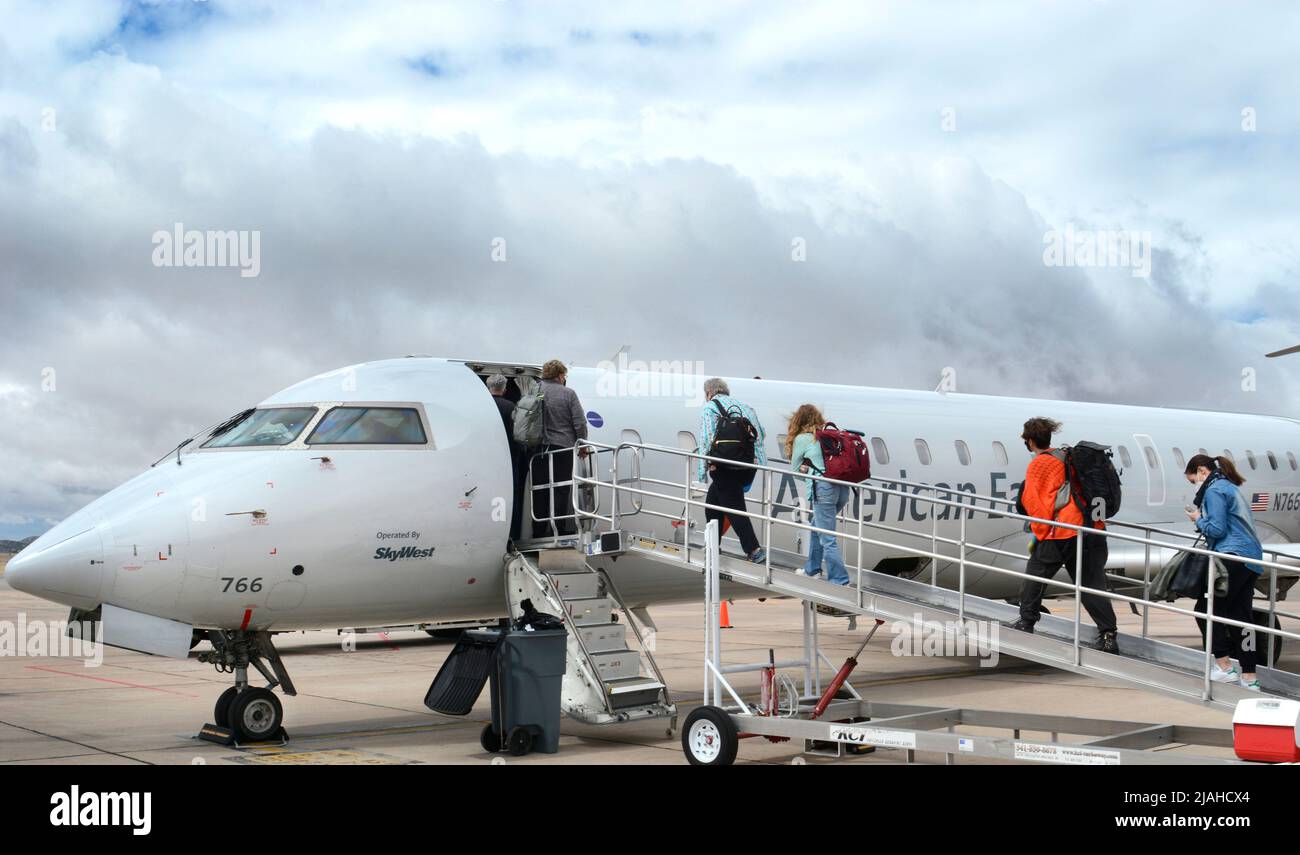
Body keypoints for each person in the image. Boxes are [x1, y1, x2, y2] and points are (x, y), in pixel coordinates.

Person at [1007, 417, 1119, 654]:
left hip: (1063, 530)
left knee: (1035, 575)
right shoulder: (1069, 457)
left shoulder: (1041, 464)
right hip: (1092, 529)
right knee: (1090, 585)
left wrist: (1040, 534)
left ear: (1029, 441)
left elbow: (1035, 504)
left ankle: (1026, 622)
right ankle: (1108, 635)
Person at [1185, 454, 1265, 691]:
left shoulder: (1215, 490)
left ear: (1202, 471)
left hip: (1233, 556)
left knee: (1205, 610)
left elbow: (1217, 529)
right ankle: (1249, 677)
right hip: (1251, 558)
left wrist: (1198, 519)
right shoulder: (1229, 486)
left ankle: (1223, 665)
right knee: (1242, 618)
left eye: (1193, 480)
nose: (1195, 485)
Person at [697, 378, 767, 563]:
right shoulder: (745, 406)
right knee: (713, 503)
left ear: (708, 393)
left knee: (734, 508)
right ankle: (713, 544)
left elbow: (707, 439)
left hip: (725, 465)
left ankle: (754, 550)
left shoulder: (710, 407)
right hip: (747, 464)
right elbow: (762, 433)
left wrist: (702, 471)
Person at [785, 404, 850, 585]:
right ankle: (812, 569)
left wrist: (806, 468)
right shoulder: (829, 436)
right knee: (816, 528)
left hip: (824, 489)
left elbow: (797, 469)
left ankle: (840, 579)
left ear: (798, 420)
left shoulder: (803, 439)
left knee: (827, 537)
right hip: (842, 489)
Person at [530, 360, 589, 539]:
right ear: (560, 375)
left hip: (538, 449)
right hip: (562, 448)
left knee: (540, 489)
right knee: (561, 488)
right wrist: (583, 444)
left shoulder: (534, 391)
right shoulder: (568, 394)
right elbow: (579, 422)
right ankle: (558, 528)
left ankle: (538, 531)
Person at [487, 374, 525, 543]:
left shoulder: (482, 406)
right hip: (510, 457)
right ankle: (513, 533)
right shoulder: (511, 407)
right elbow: (520, 434)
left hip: (489, 457)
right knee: (512, 495)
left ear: (488, 387)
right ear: (505, 389)